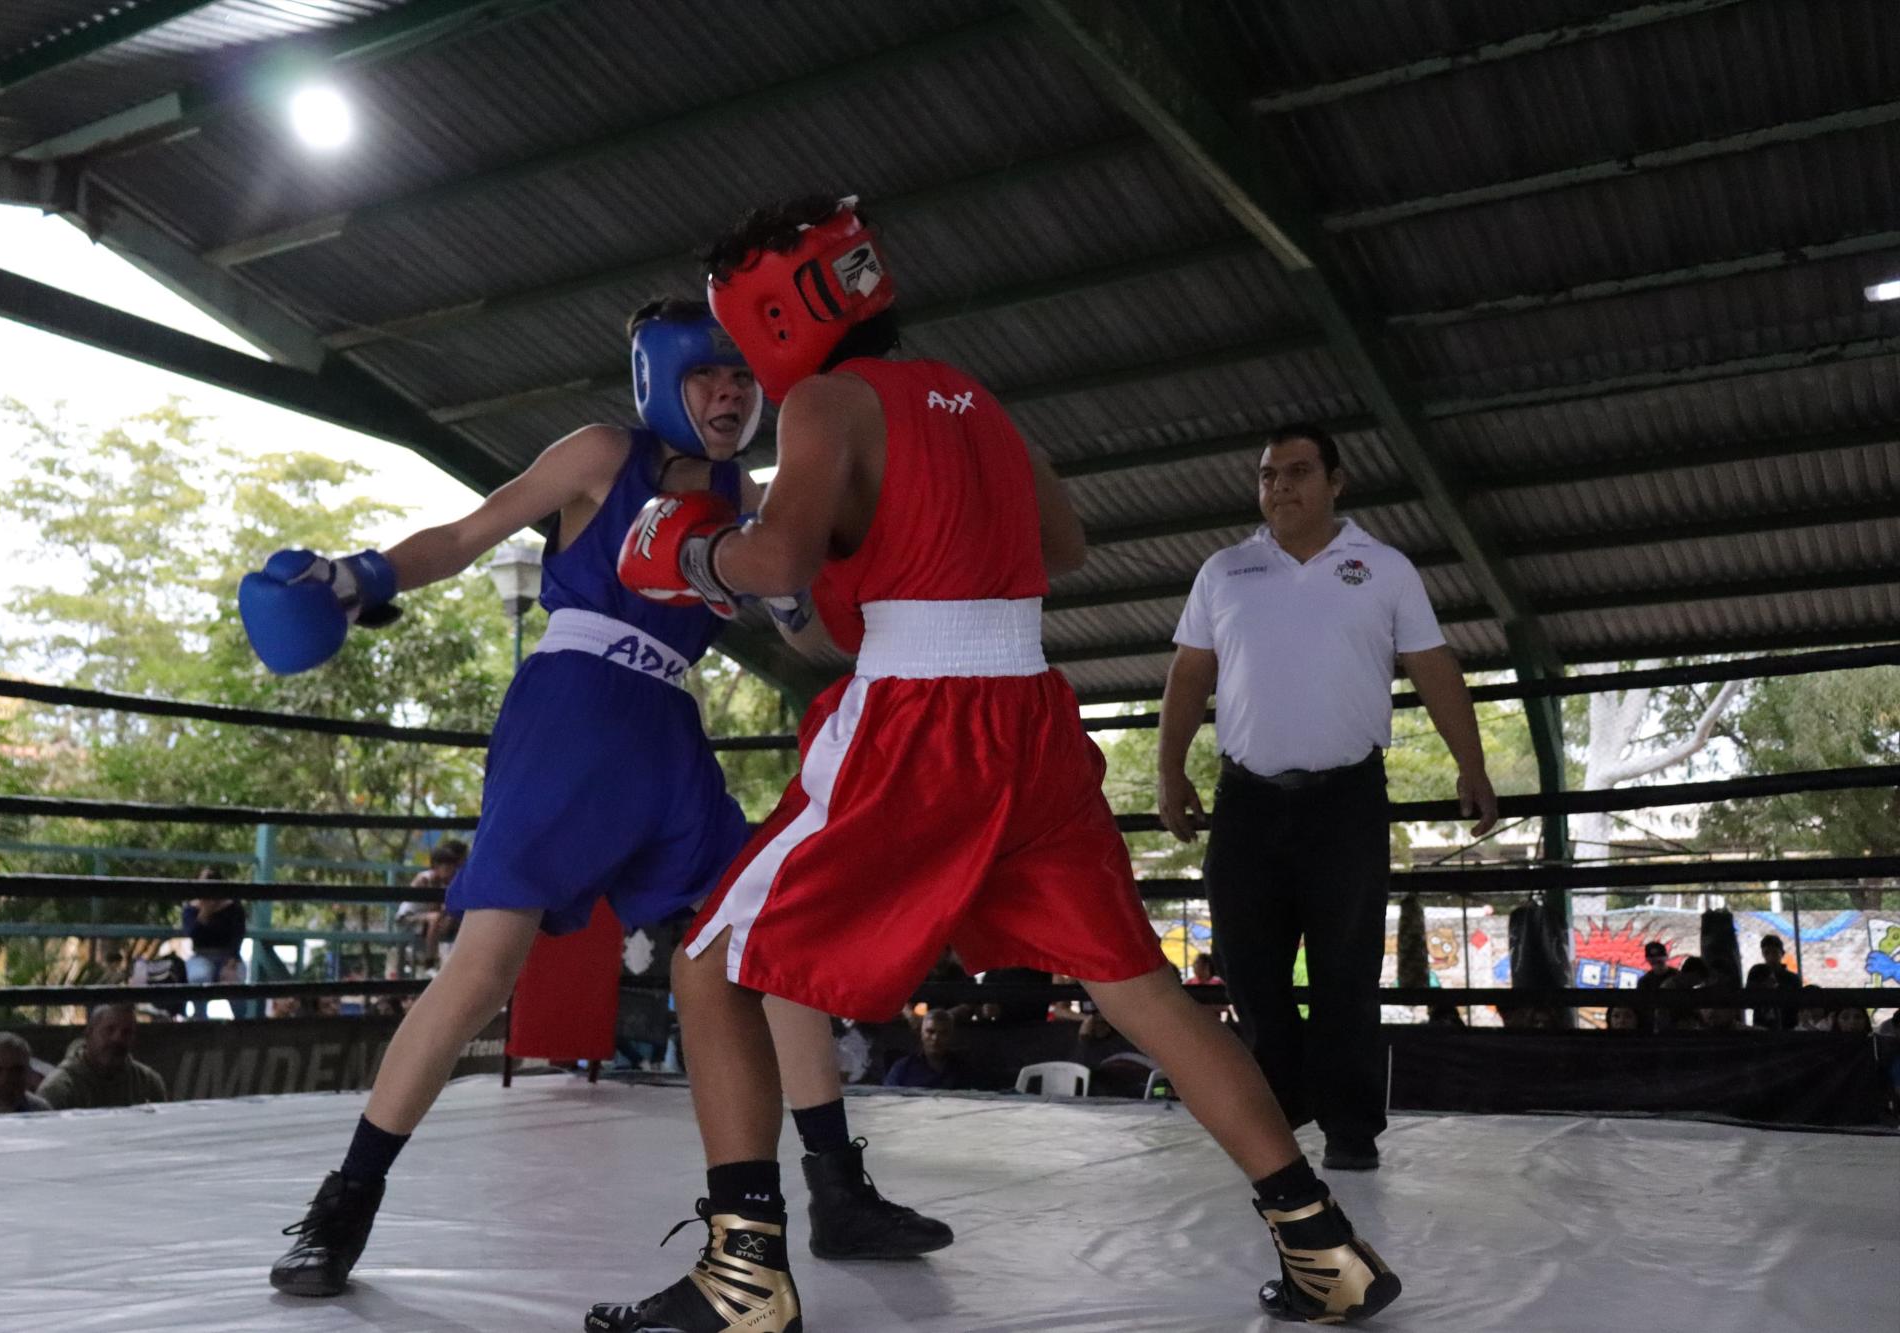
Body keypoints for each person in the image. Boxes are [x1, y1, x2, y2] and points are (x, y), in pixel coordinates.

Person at [592, 196, 1399, 1330]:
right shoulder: (972, 395)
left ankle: (743, 1274)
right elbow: (1063, 545)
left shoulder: (826, 400)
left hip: (919, 721)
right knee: (1139, 985)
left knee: (711, 962)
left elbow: (774, 557)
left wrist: (685, 547)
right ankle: (1322, 1246)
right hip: (1030, 717)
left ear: (776, 317)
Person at [240, 299, 949, 1299]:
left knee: (766, 941)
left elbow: (804, 639)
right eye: (706, 375)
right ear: (662, 379)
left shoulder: (750, 496)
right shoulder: (602, 455)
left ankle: (837, 1187)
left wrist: (809, 584)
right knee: (485, 967)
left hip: (669, 734)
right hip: (570, 714)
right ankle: (342, 1207)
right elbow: (468, 532)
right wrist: (362, 576)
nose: (729, 393)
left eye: (741, 377)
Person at [1155, 422, 1500, 1174]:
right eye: (1268, 474)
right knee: (1250, 969)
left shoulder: (1384, 568)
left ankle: (1350, 1130)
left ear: (1336, 483)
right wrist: (1168, 770)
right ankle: (1276, 1116)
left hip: (1346, 799)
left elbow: (1433, 666)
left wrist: (1471, 764)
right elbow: (1189, 673)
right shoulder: (1225, 570)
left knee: (1346, 971)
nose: (1280, 486)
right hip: (1246, 799)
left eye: (1298, 471)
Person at [36, 1004, 169, 1109]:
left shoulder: (148, 1083)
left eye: (127, 1032)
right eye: (109, 1030)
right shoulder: (59, 1090)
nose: (117, 1039)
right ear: (89, 1033)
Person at [182, 870, 247, 1020]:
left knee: (234, 984)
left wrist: (231, 963)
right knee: (199, 978)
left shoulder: (234, 907)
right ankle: (201, 1021)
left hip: (229, 957)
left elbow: (237, 937)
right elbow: (192, 934)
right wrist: (205, 912)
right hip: (201, 955)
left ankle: (241, 1023)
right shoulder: (191, 909)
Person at [397, 838, 468, 969]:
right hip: (408, 918)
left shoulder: (444, 882)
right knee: (435, 918)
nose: (452, 872)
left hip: (426, 919)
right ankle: (429, 959)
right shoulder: (426, 878)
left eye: (453, 868)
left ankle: (453, 961)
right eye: (448, 867)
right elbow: (433, 907)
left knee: (453, 918)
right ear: (437, 866)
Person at [881, 1009, 978, 1090]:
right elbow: (887, 1098)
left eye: (943, 1033)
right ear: (921, 1034)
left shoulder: (963, 1069)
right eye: (930, 1032)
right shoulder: (903, 1068)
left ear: (950, 1036)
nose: (935, 1038)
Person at [1744, 934, 1796, 1030]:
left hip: (1786, 1026)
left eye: (1774, 952)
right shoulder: (1757, 972)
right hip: (1761, 1025)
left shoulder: (1792, 978)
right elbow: (1748, 1000)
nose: (1771, 957)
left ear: (1782, 953)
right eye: (1767, 953)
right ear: (1763, 954)